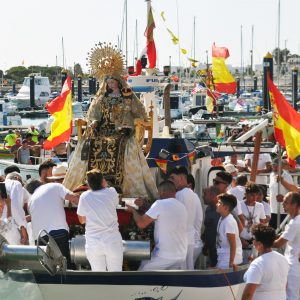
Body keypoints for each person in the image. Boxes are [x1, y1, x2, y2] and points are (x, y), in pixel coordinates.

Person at [63, 45, 157, 200]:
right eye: (109, 82)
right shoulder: (101, 98)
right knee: (91, 143)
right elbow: (94, 114)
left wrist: (131, 123)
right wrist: (93, 122)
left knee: (120, 144)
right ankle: (90, 181)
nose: (111, 84)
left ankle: (118, 184)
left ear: (118, 82)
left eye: (113, 82)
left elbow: (140, 113)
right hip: (102, 130)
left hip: (122, 131)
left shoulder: (127, 96)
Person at [127, 180, 188, 271]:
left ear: (162, 192)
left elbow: (141, 223)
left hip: (165, 256)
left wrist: (133, 210)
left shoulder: (160, 204)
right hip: (181, 255)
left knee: (141, 273)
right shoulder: (182, 207)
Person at [26, 178, 79, 268]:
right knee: (65, 265)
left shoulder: (30, 200)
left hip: (40, 238)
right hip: (58, 231)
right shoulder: (55, 186)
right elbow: (74, 198)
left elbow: (36, 216)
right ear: (41, 182)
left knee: (49, 268)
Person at [77, 169, 123, 271]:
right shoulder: (112, 192)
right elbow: (115, 203)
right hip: (112, 241)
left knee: (98, 277)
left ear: (89, 184)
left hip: (93, 243)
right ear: (103, 181)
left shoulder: (84, 197)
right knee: (116, 276)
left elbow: (82, 220)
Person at [168, 166, 203, 270]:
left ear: (181, 179)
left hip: (180, 240)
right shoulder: (194, 195)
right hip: (191, 239)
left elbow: (173, 218)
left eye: (172, 179)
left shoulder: (179, 195)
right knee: (188, 268)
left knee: (180, 270)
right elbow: (199, 219)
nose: (171, 182)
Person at [242, 224, 289, 300]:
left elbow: (248, 294)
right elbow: (285, 286)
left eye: (254, 239)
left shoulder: (257, 264)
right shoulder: (283, 259)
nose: (253, 242)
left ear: (260, 244)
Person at [273, 192, 300, 300]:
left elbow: (278, 243)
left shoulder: (295, 223)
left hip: (294, 267)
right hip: (294, 265)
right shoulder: (295, 221)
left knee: (291, 296)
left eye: (286, 202)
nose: (283, 204)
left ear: (294, 205)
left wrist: (261, 239)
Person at [215, 193, 243, 270]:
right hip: (223, 258)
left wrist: (231, 263)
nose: (217, 204)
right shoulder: (222, 218)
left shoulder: (229, 222)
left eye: (219, 203)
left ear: (226, 208)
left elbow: (233, 244)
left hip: (228, 260)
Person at [240, 183, 266, 262]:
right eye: (252, 195)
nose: (255, 197)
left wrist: (258, 239)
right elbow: (234, 225)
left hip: (254, 242)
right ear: (246, 194)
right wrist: (240, 239)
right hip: (241, 241)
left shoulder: (260, 206)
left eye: (256, 195)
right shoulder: (239, 205)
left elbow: (262, 223)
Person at [269, 157, 295, 229]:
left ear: (281, 166)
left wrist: (283, 182)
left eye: (276, 166)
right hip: (273, 209)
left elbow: (293, 190)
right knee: (272, 231)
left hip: (283, 210)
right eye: (273, 166)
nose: (274, 168)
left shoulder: (287, 176)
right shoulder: (271, 175)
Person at [202, 186, 220, 267]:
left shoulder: (222, 211)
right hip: (210, 250)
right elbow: (208, 229)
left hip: (219, 252)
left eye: (205, 194)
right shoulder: (208, 209)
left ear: (213, 196)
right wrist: (205, 245)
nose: (203, 196)